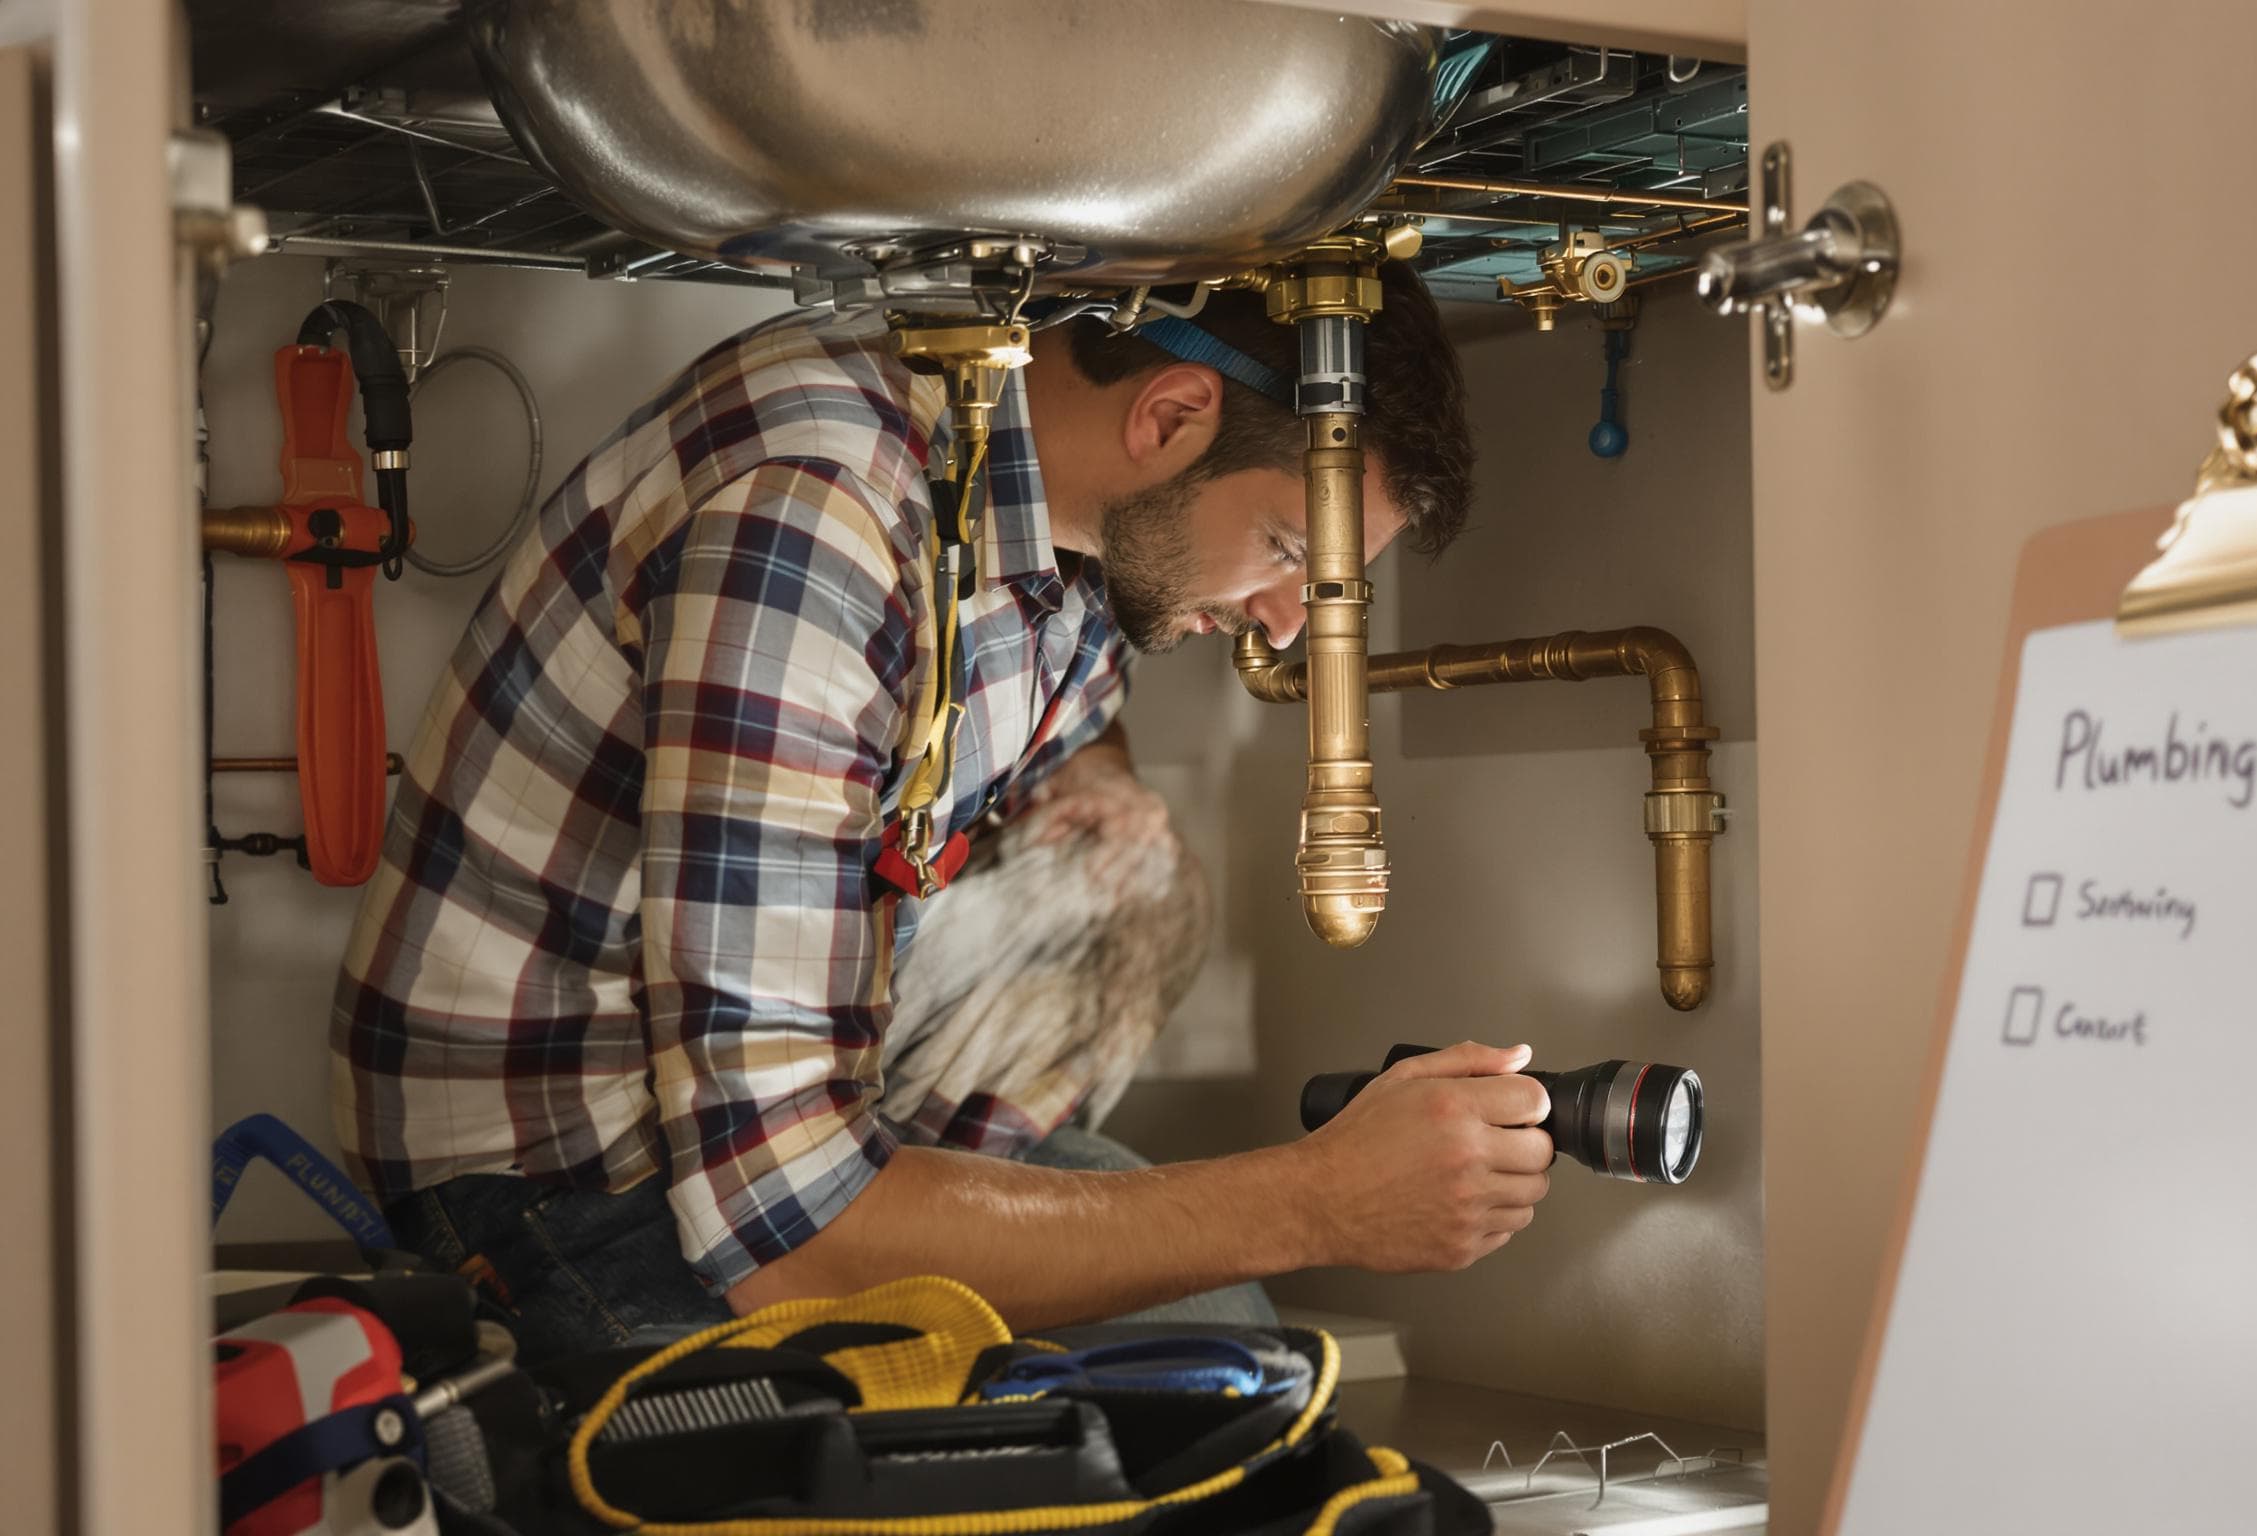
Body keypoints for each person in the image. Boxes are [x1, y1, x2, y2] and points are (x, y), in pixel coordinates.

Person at [331, 264, 1557, 1362]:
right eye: (1288, 549)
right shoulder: (815, 520)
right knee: (1173, 1387)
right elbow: (782, 1229)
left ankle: (944, 1238)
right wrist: (1317, 1200)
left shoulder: (1041, 492)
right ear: (1171, 417)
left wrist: (1102, 773)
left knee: (1138, 893)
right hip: (554, 1192)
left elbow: (1013, 693)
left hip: (743, 1137)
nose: (1289, 621)